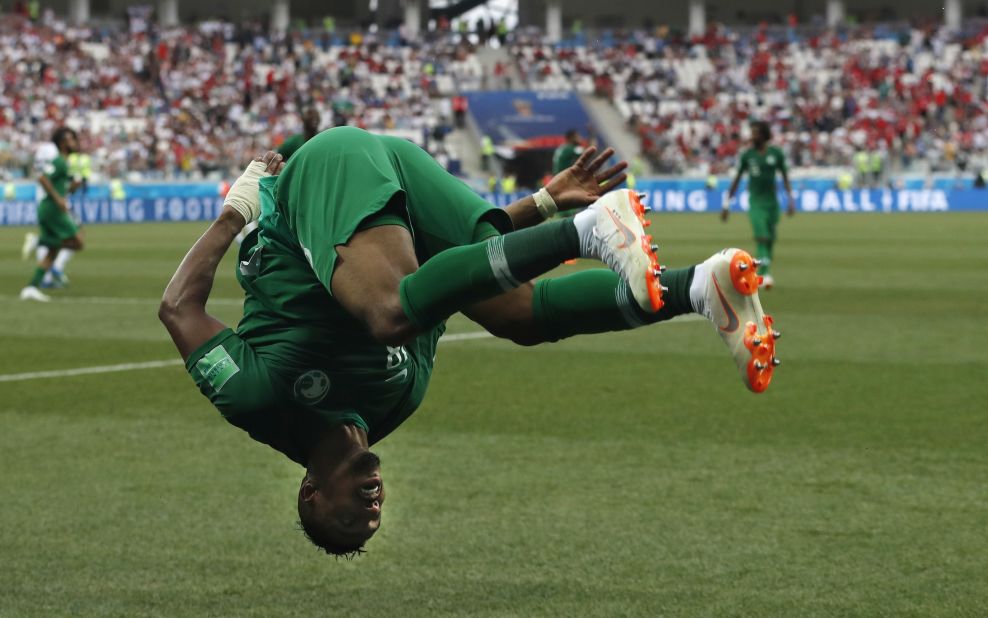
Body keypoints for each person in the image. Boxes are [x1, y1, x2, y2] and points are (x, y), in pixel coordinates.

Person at [160, 128, 781, 559]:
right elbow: (450, 274)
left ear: (311, 492)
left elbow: (178, 307)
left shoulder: (261, 400)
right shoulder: (398, 398)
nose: (370, 510)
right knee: (520, 315)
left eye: (349, 518)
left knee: (387, 313)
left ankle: (590, 232)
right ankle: (703, 287)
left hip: (320, 178)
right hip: (395, 177)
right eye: (372, 522)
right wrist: (540, 205)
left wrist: (236, 209)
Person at [722, 121, 794, 290]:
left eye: (756, 133)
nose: (753, 136)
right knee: (761, 236)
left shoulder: (776, 153)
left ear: (764, 135)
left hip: (772, 203)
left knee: (770, 238)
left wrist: (790, 199)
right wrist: (726, 204)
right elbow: (737, 179)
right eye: (752, 132)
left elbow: (785, 176)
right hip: (756, 202)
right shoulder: (747, 155)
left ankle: (766, 269)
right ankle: (765, 274)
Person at [20, 127, 85, 302]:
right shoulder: (59, 161)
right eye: (71, 139)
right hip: (51, 209)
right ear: (63, 143)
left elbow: (60, 187)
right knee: (78, 241)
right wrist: (58, 200)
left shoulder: (65, 162)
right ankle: (37, 241)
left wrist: (73, 187)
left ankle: (31, 288)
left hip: (51, 207)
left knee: (52, 252)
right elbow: (42, 178)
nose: (74, 142)